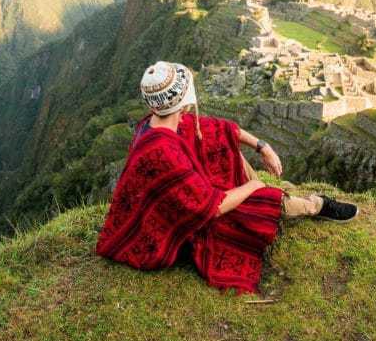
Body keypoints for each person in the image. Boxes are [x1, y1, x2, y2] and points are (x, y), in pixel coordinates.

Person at [96, 61, 358, 294]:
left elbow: (220, 129)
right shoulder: (164, 153)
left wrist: (262, 146)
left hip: (177, 201)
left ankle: (280, 192)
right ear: (184, 101)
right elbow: (214, 206)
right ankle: (316, 205)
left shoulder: (154, 123)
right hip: (165, 228)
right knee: (259, 203)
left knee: (222, 148)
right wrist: (253, 187)